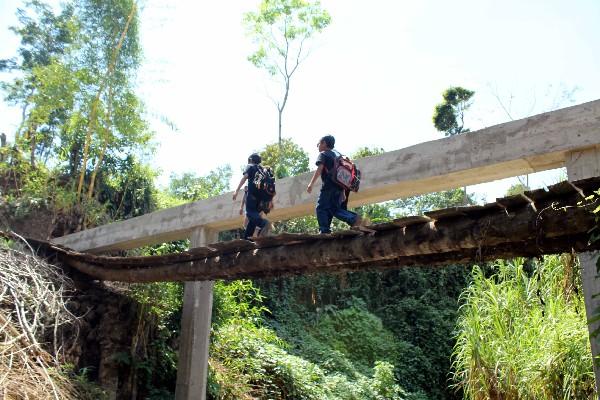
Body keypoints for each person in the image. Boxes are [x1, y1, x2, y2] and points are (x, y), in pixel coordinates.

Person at [306, 135, 367, 234]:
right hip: (339, 187)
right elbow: (341, 174)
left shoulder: (323, 154)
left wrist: (311, 184)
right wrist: (343, 191)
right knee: (333, 209)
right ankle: (354, 218)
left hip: (329, 186)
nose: (317, 146)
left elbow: (319, 169)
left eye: (318, 144)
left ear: (324, 143)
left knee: (321, 207)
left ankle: (324, 230)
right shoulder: (338, 154)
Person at [233, 153, 270, 240]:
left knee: (249, 213)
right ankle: (247, 240)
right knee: (252, 221)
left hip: (252, 196)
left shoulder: (250, 166)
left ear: (250, 160)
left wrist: (236, 191)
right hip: (261, 198)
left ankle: (264, 223)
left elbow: (244, 177)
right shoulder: (263, 170)